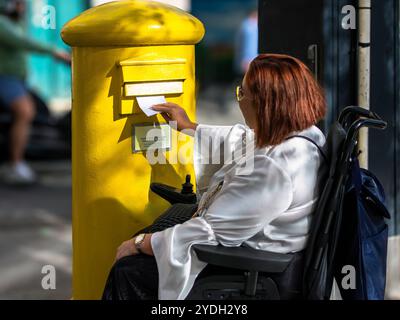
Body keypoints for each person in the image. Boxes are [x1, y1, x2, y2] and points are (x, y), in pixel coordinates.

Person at [102, 54, 328, 300]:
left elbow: (212, 230)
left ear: (264, 104)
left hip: (259, 269)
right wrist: (188, 126)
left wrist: (140, 244)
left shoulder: (274, 167)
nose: (240, 100)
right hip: (271, 256)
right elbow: (242, 141)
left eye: (242, 94)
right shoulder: (305, 136)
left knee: (129, 269)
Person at [0, 0, 70, 184]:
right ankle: (15, 164)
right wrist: (53, 51)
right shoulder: (2, 23)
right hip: (5, 78)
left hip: (17, 79)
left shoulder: (15, 22)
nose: (21, 7)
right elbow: (23, 42)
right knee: (25, 111)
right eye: (17, 3)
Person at [234, 8, 259, 76]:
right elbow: (249, 46)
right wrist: (247, 60)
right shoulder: (250, 26)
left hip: (246, 61)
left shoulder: (245, 25)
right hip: (249, 62)